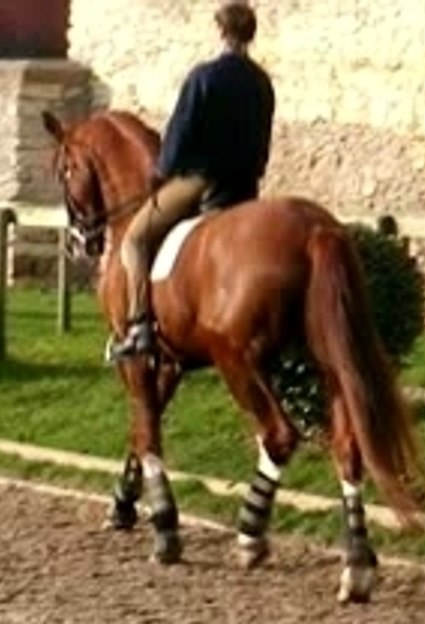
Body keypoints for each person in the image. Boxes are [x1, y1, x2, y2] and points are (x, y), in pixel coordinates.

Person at [108, 1, 276, 360]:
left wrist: (163, 173)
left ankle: (139, 327)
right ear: (249, 35)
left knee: (135, 241)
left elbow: (180, 135)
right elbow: (264, 142)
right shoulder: (262, 82)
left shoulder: (204, 77)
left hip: (202, 182)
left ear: (220, 32)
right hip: (245, 186)